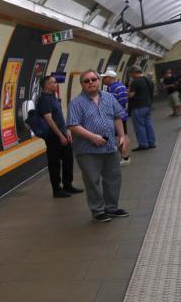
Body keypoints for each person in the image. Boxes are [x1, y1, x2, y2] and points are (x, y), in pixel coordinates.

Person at [67, 70, 130, 223]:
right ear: (82, 84)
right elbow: (73, 125)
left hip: (109, 147)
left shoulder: (108, 97)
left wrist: (122, 136)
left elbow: (117, 117)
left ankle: (112, 207)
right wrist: (93, 137)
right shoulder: (76, 103)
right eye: (86, 81)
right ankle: (98, 210)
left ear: (98, 81)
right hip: (87, 150)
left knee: (113, 177)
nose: (91, 83)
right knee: (92, 180)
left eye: (94, 79)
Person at [37, 75, 84, 196]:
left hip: (63, 133)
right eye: (53, 82)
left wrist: (67, 130)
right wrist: (60, 135)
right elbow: (49, 120)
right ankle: (57, 189)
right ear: (46, 85)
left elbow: (59, 117)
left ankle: (68, 185)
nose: (56, 84)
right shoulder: (44, 99)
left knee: (68, 160)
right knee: (55, 163)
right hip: (53, 137)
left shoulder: (53, 97)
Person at [101, 70, 130, 165]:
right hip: (123, 114)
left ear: (110, 77)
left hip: (116, 116)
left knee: (120, 136)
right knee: (124, 135)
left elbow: (111, 104)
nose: (103, 79)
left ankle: (125, 157)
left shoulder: (112, 88)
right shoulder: (121, 85)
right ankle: (125, 156)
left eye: (105, 77)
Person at [127, 65, 156, 150]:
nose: (130, 75)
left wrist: (128, 89)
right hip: (148, 105)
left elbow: (131, 95)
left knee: (139, 126)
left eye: (130, 73)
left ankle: (143, 144)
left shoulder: (135, 82)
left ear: (134, 73)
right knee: (148, 124)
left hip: (138, 107)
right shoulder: (148, 80)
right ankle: (151, 142)